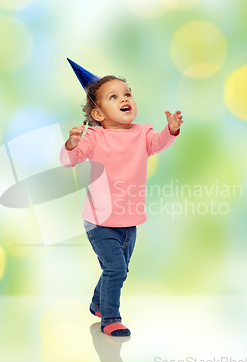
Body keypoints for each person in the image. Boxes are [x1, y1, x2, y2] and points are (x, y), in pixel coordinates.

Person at [60, 59, 183, 337]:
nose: (124, 99)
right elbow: (72, 160)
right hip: (100, 220)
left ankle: (98, 303)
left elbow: (157, 143)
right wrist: (71, 144)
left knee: (118, 269)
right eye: (113, 97)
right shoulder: (94, 136)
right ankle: (111, 319)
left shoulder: (142, 133)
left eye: (127, 93)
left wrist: (171, 129)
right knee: (115, 269)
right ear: (99, 114)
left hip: (130, 221)